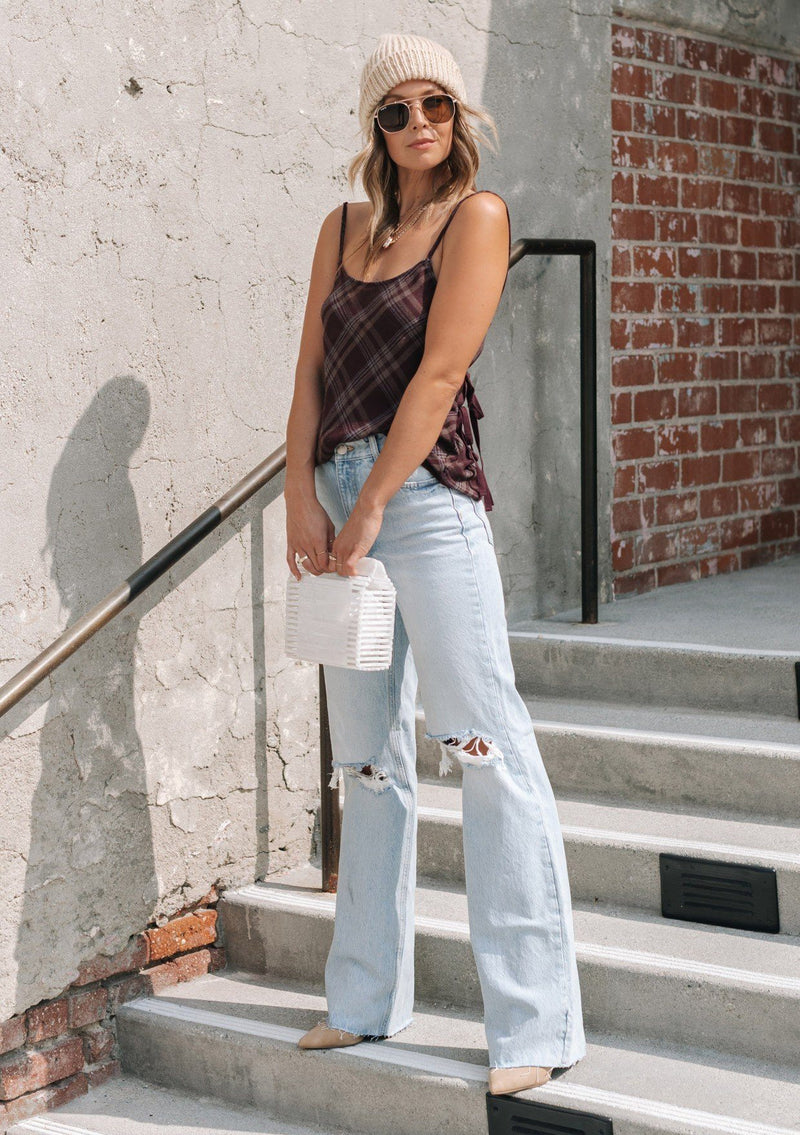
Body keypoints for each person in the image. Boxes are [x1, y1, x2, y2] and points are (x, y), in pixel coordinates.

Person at [284, 32, 587, 1097]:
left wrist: (368, 506)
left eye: (436, 107)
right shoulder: (340, 228)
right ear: (372, 129)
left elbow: (442, 369)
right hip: (336, 504)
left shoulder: (478, 218)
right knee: (366, 763)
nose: (419, 126)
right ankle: (361, 999)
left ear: (457, 118)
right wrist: (302, 502)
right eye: (396, 112)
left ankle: (532, 1023)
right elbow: (309, 375)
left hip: (425, 503)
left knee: (484, 746)